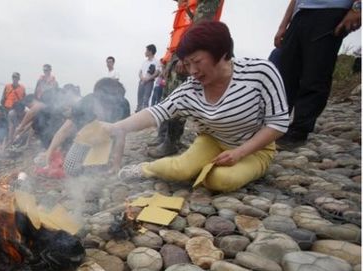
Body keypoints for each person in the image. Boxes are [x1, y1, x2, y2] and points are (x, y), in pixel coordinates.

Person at [102, 21, 289, 192]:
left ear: (221, 52)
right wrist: (117, 127)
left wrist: (240, 153)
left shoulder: (260, 72)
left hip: (254, 149)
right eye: (187, 64)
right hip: (213, 140)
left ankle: (245, 169)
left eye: (197, 62)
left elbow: (278, 123)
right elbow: (157, 111)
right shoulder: (191, 89)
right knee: (181, 169)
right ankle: (145, 169)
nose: (192, 71)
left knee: (220, 180)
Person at [275, 0, 361, 149]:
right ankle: (275, 124)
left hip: (332, 12)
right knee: (285, 73)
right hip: (300, 14)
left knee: (315, 74)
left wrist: (357, 9)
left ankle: (299, 130)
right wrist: (283, 25)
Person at [148, 0, 225, 158]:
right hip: (177, 52)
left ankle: (171, 142)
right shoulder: (186, 3)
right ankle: (163, 136)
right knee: (167, 96)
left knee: (178, 98)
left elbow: (200, 28)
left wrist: (186, 57)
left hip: (187, 53)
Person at [45, 78, 130, 176]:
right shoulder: (84, 103)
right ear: (96, 97)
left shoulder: (123, 105)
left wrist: (116, 165)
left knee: (98, 168)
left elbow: (121, 136)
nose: (107, 107)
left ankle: (103, 157)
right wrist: (49, 152)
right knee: (70, 168)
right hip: (86, 137)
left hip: (108, 137)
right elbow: (64, 130)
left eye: (112, 103)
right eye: (103, 102)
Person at [136, 44, 161, 112]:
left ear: (150, 51)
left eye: (146, 50)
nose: (145, 52)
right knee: (139, 99)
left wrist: (148, 79)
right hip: (141, 82)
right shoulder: (144, 62)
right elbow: (140, 72)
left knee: (146, 100)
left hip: (149, 82)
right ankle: (137, 113)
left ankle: (143, 115)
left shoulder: (156, 61)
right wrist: (142, 78)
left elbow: (157, 72)